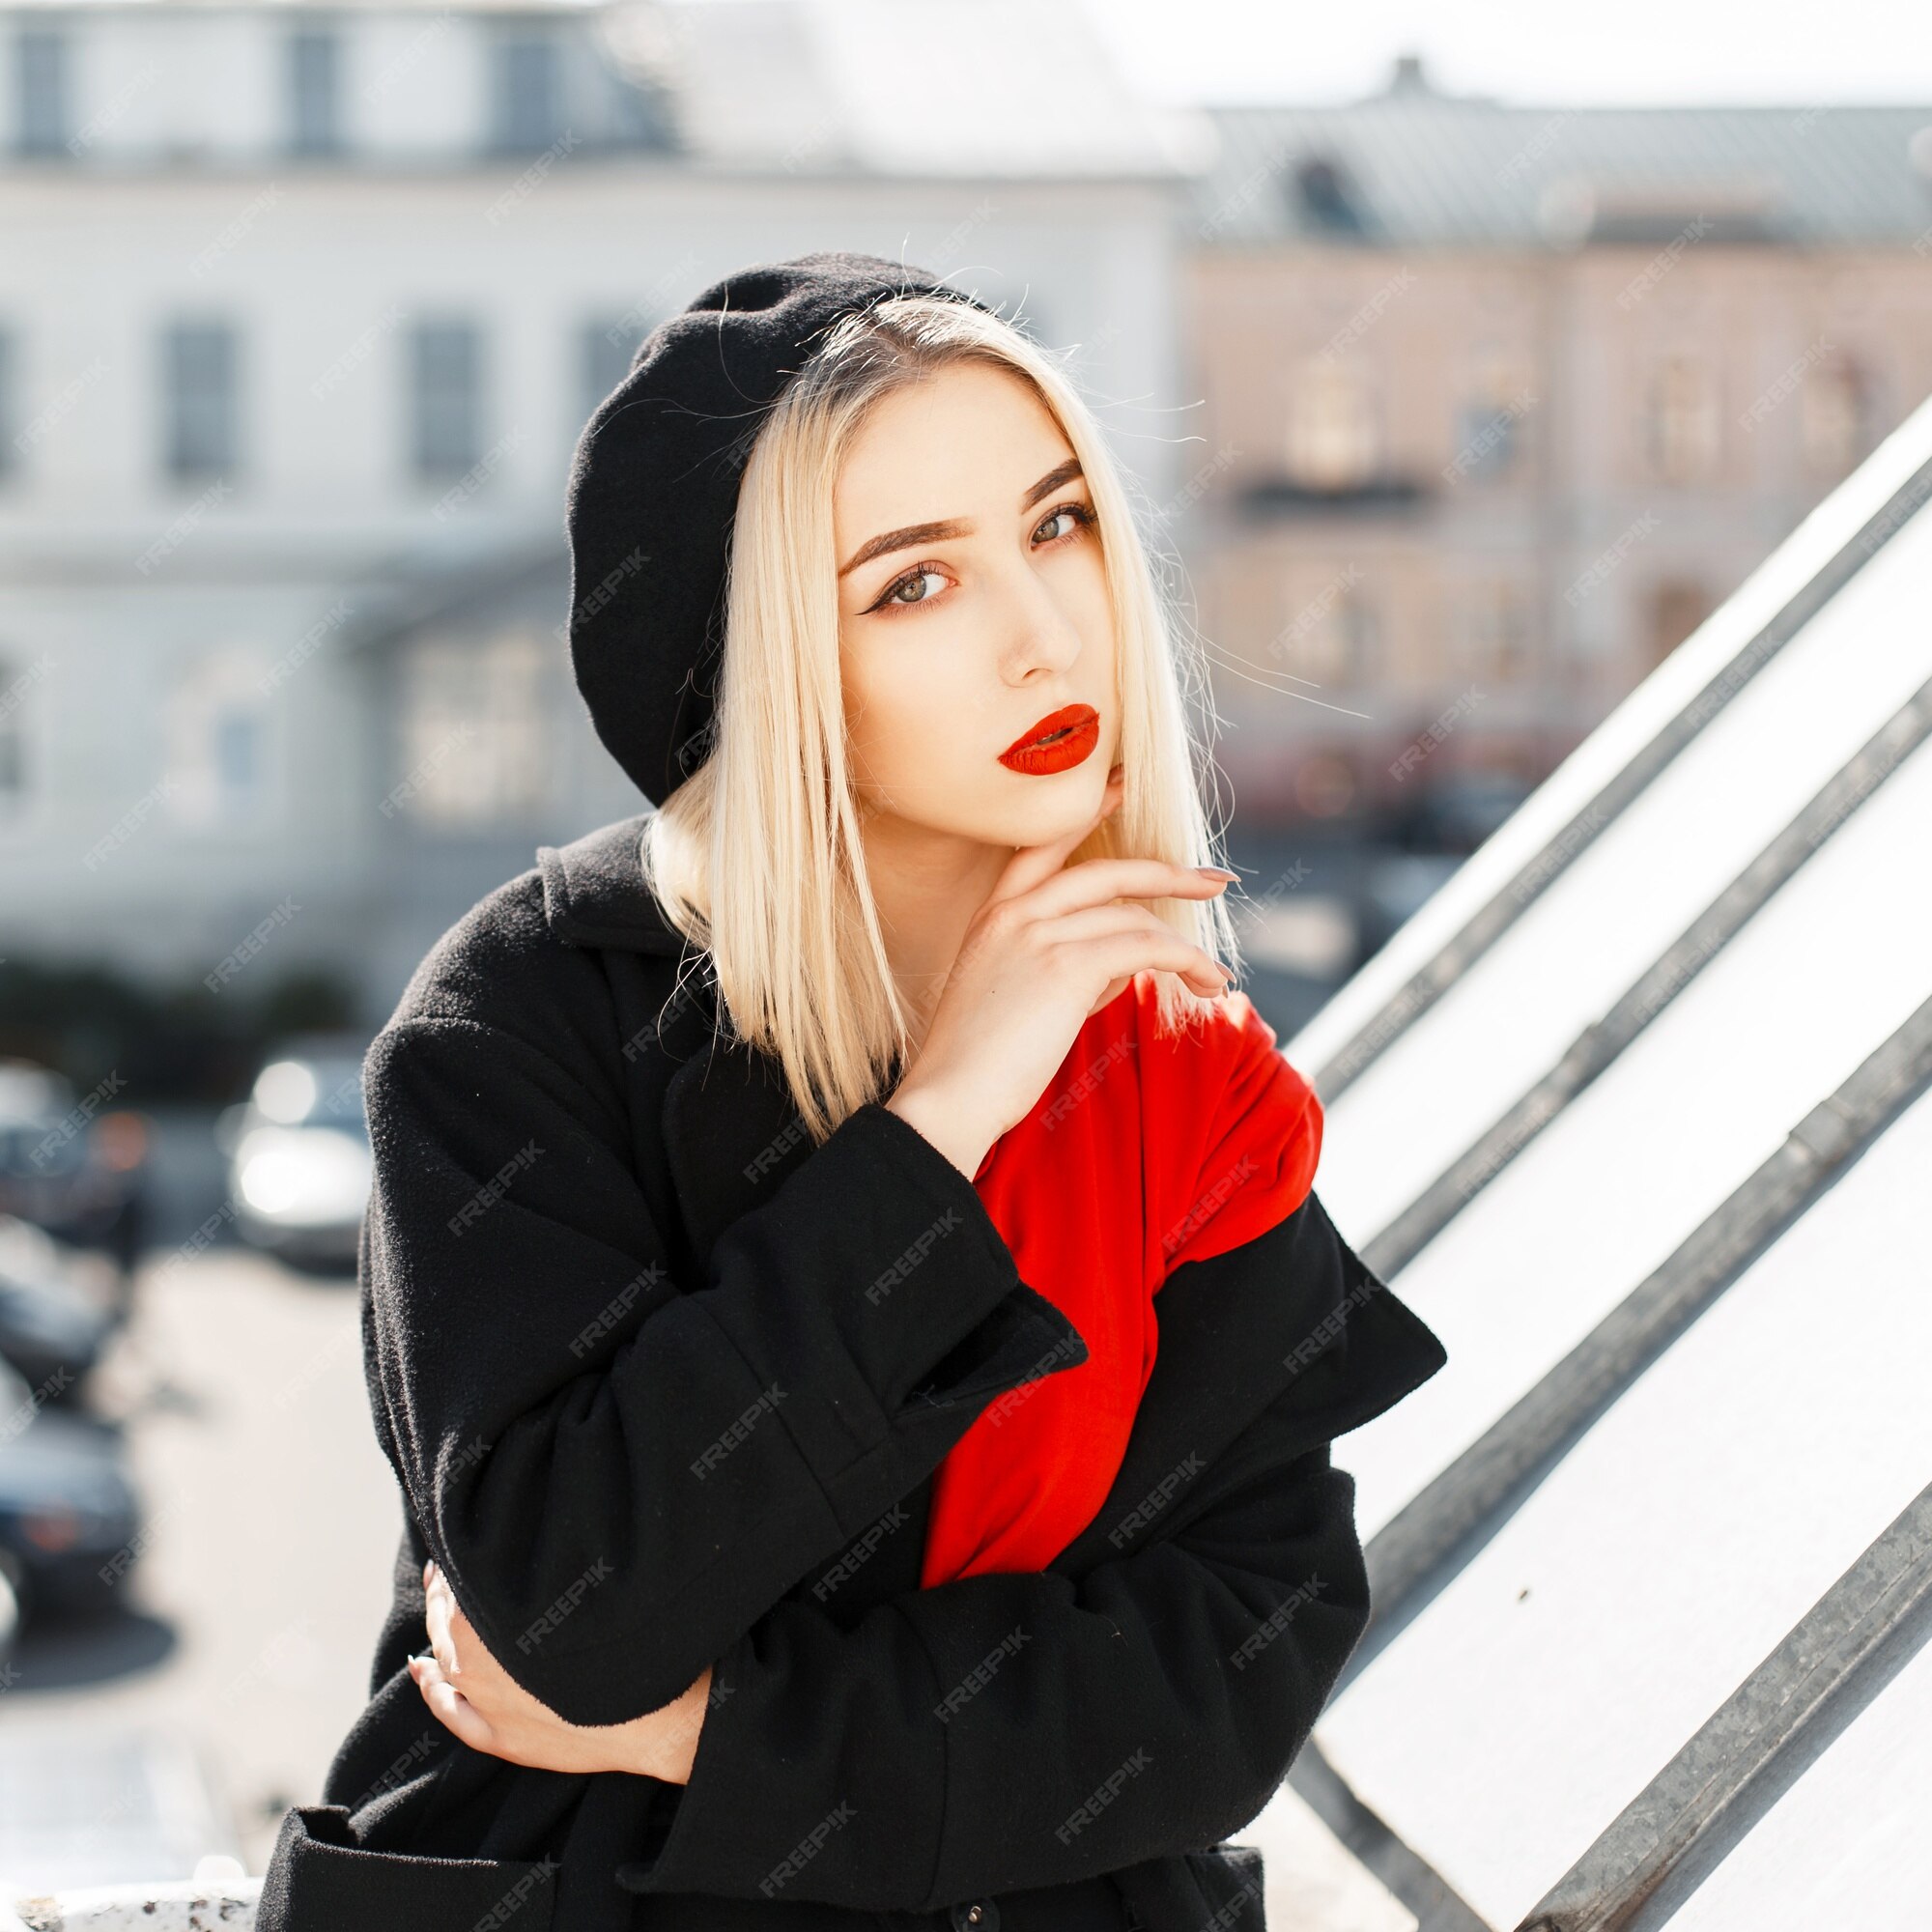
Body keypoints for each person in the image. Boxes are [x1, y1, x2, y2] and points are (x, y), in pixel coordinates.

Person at [256, 251, 1447, 1932]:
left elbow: (1229, 1676)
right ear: (757, 672)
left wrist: (724, 1731)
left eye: (1058, 526)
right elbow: (578, 1597)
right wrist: (939, 1129)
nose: (1045, 632)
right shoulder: (528, 1018)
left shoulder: (1173, 1054)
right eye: (913, 586)